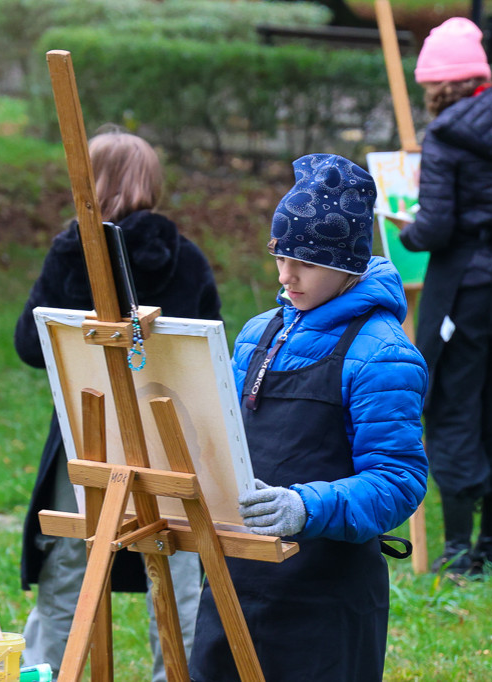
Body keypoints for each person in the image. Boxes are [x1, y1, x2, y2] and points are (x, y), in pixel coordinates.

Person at [189, 154, 428, 681]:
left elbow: (399, 480)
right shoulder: (257, 332)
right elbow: (222, 438)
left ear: (349, 264)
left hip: (324, 599)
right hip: (236, 580)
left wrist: (304, 506)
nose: (286, 275)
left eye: (308, 262)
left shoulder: (384, 354)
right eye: (279, 255)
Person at [14, 128, 222, 681]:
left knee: (68, 567)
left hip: (90, 430)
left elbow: (29, 346)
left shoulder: (71, 251)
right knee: (175, 567)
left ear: (89, 185)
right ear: (151, 183)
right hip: (170, 432)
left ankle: (48, 671)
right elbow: (208, 358)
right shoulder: (189, 259)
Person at [399, 17, 492, 577]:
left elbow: (436, 228)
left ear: (440, 82)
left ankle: (460, 554)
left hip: (468, 287)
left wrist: (407, 231)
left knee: (453, 406)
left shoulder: (445, 135)